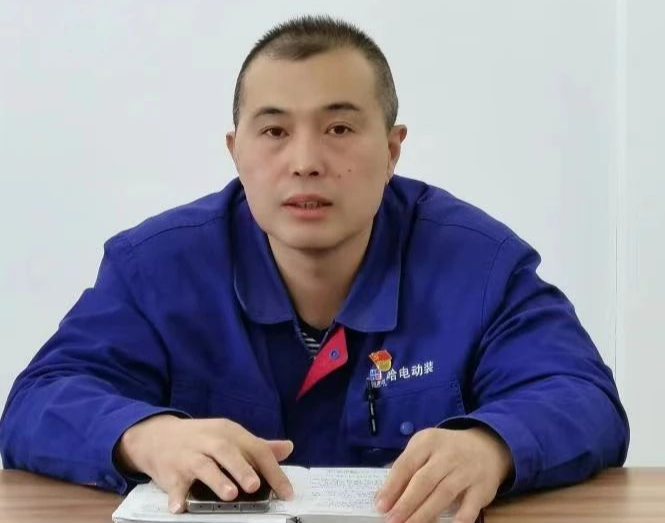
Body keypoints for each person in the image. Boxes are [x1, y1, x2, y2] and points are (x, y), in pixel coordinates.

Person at [0, 15, 628, 523]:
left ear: (392, 149)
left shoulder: (479, 264)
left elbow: (581, 396)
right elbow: (39, 400)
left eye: (339, 128)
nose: (305, 161)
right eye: (274, 131)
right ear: (236, 151)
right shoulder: (155, 267)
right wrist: (146, 436)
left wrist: (491, 445)